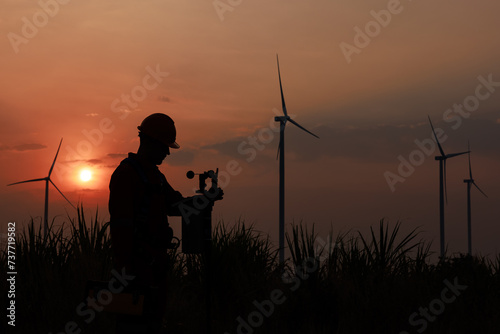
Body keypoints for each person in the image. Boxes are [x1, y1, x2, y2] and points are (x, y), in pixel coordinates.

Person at [109, 113, 185, 334]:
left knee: (153, 324)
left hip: (155, 269)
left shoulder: (156, 177)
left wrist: (203, 201)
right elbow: (121, 227)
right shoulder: (127, 174)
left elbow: (175, 205)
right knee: (133, 327)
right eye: (164, 146)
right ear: (148, 141)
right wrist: (126, 274)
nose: (167, 152)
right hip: (135, 272)